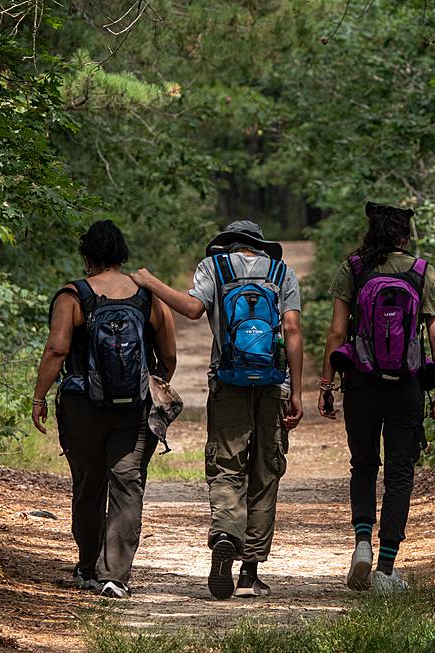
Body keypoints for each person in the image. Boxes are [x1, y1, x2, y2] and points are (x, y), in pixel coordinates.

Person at [131, 220, 304, 600]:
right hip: (274, 383)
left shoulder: (215, 268)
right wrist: (297, 393)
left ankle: (226, 533)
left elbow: (193, 309)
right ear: (260, 246)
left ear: (226, 245)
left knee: (228, 466)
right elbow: (292, 330)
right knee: (265, 470)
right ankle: (250, 573)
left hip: (228, 381)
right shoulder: (282, 272)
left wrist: (150, 282)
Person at [31, 220, 177, 599]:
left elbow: (57, 350)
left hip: (82, 405)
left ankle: (87, 566)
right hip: (134, 408)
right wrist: (149, 381)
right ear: (122, 254)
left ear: (87, 256)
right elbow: (169, 355)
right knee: (127, 485)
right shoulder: (147, 296)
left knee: (89, 483)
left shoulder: (72, 295)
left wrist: (39, 397)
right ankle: (115, 575)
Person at [318, 202, 435, 593]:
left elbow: (336, 333)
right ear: (404, 236)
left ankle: (362, 543)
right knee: (399, 474)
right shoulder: (422, 272)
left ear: (370, 232)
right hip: (406, 386)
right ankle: (387, 569)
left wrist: (326, 386)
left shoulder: (354, 269)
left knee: (363, 465)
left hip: (361, 383)